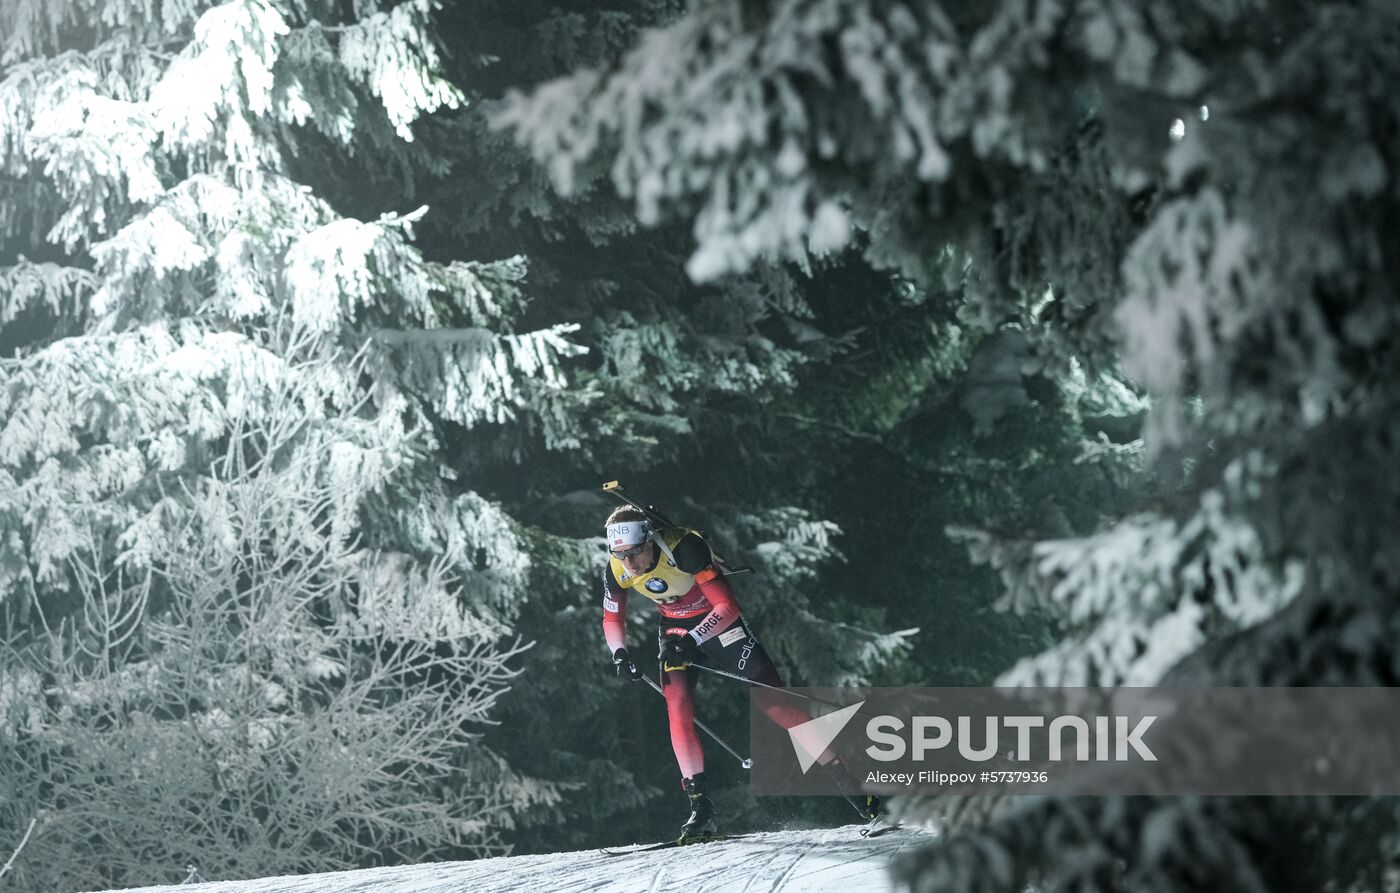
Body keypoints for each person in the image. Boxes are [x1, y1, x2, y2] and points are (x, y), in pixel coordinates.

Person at [601, 505, 879, 842]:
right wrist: (620, 654)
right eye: (620, 554)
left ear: (649, 541)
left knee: (778, 707)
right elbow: (613, 618)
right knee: (677, 711)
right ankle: (700, 808)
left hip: (719, 624)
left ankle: (855, 791)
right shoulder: (617, 568)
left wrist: (693, 639)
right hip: (674, 629)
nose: (629, 563)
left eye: (634, 553)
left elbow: (728, 608)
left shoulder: (684, 548)